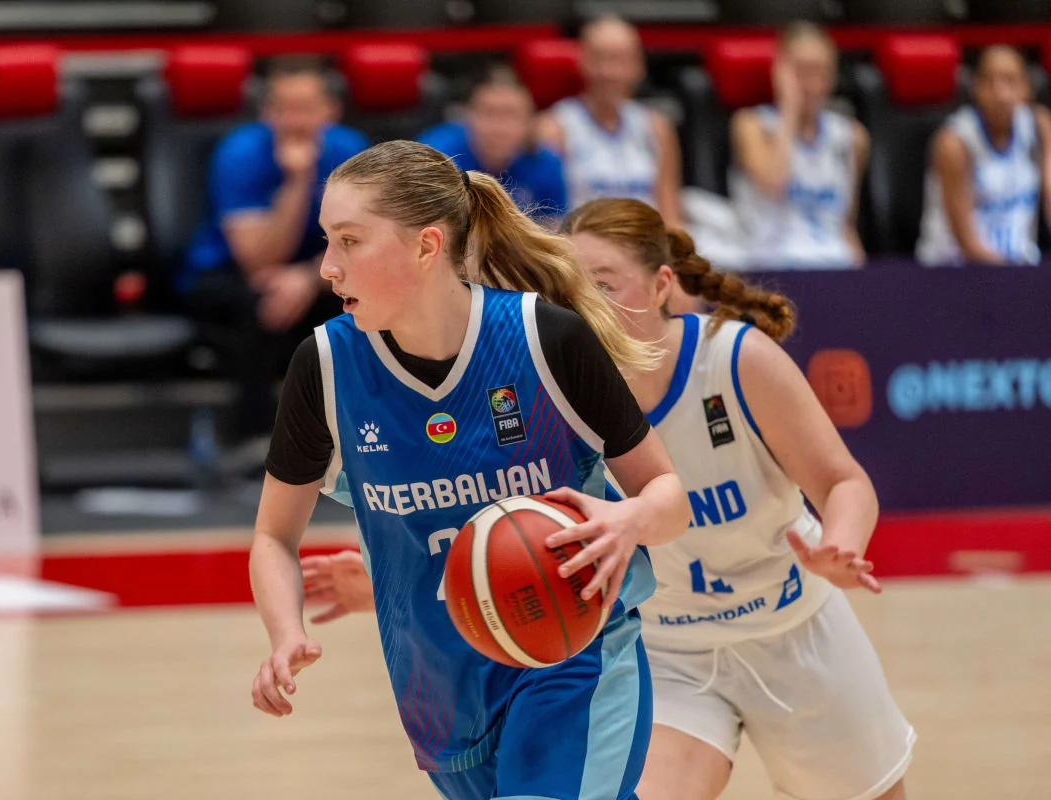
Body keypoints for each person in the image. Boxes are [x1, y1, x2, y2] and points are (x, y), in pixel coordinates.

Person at [303, 197, 915, 800]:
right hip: (670, 653)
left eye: (605, 284)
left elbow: (843, 481)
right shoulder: (546, 380)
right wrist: (408, 583)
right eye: (574, 287)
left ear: (661, 285)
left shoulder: (734, 360)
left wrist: (840, 545)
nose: (588, 302)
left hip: (793, 628)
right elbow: (498, 522)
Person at [250, 140, 691, 800]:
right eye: (327, 240)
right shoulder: (326, 367)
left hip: (572, 655)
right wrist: (286, 635)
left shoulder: (544, 339)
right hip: (439, 685)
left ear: (426, 246)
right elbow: (273, 536)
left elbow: (668, 494)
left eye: (350, 241)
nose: (328, 267)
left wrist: (629, 519)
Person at [177, 57, 369, 448]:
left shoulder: (352, 152)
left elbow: (367, 241)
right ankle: (259, 439)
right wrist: (298, 180)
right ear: (266, 112)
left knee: (373, 295)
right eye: (285, 109)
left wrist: (308, 278)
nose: (295, 120)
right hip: (226, 272)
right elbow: (258, 261)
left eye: (307, 108)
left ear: (330, 110)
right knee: (265, 301)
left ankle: (366, 432)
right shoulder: (240, 153)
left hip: (317, 270)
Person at [729, 22, 870, 269]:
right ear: (779, 70)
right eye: (803, 71)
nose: (813, 83)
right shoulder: (751, 125)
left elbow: (845, 225)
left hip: (834, 263)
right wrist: (789, 111)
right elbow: (773, 183)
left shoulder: (851, 137)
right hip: (770, 264)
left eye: (822, 72)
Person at [538, 15, 683, 223]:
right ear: (581, 61)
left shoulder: (657, 128)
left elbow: (670, 215)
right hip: (579, 239)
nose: (608, 72)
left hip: (646, 240)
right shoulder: (554, 127)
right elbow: (547, 218)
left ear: (639, 66)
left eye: (619, 60)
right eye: (598, 59)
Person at [917, 45, 1051, 266]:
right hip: (957, 268)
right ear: (975, 88)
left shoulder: (1039, 127)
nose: (1000, 92)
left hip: (1020, 264)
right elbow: (967, 243)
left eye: (1010, 80)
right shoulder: (953, 143)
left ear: (1027, 88)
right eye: (989, 81)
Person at [418, 65, 567, 221]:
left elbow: (555, 226)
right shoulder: (437, 156)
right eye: (489, 113)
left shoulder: (545, 163)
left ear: (530, 123)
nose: (499, 127)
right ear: (468, 116)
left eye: (510, 115)